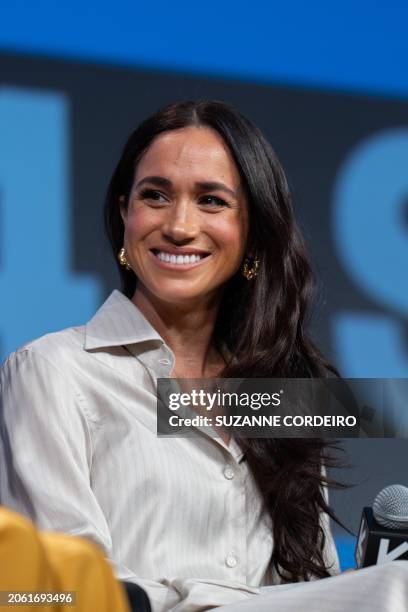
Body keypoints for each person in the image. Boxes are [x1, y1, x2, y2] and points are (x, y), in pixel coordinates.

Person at [1, 100, 406, 612]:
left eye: (211, 201)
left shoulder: (283, 397)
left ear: (253, 233)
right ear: (124, 213)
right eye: (155, 196)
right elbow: (54, 593)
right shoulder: (53, 371)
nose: (179, 225)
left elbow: (313, 583)